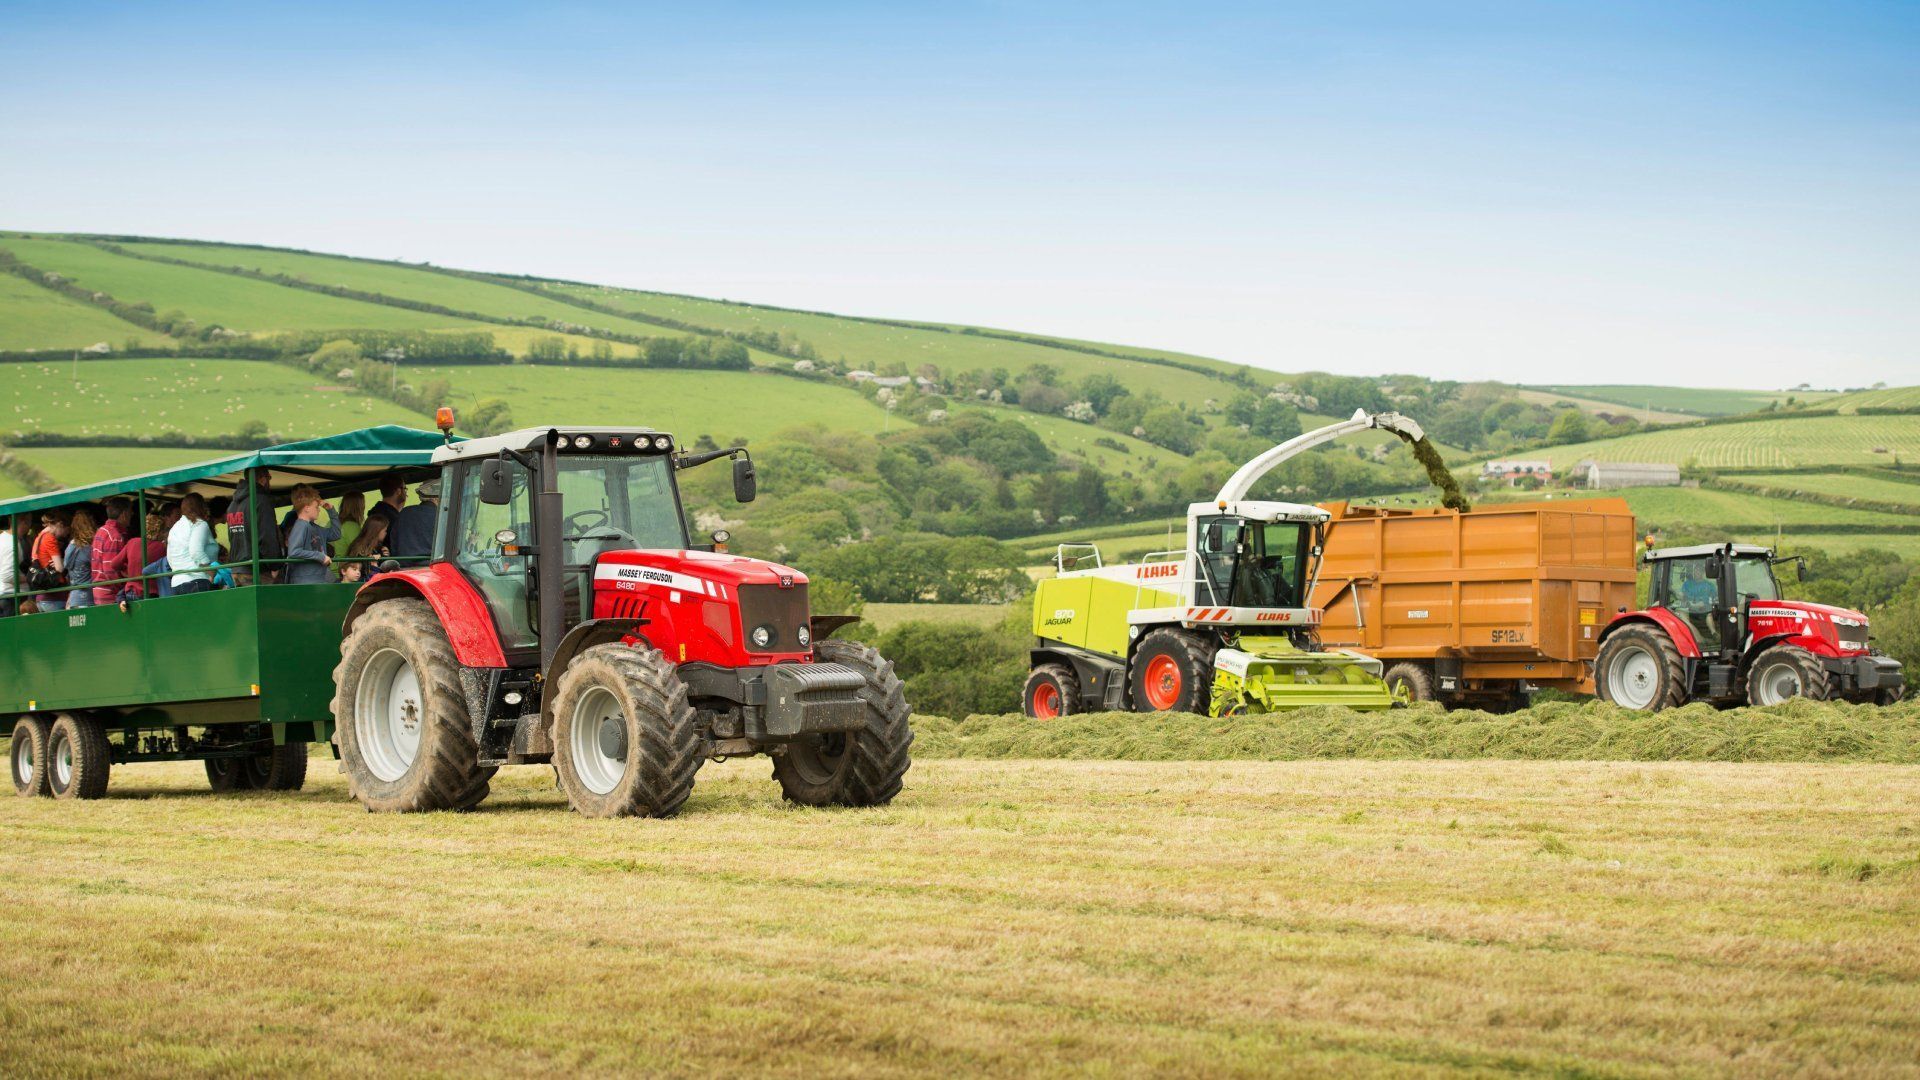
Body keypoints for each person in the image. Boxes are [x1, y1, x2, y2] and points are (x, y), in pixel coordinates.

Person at [225, 469, 284, 585]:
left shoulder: (232, 505)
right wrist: (275, 565)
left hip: (237, 569)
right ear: (262, 479)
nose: (269, 482)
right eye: (269, 478)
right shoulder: (261, 501)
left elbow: (232, 537)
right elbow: (267, 537)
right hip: (256, 571)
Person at [285, 492, 342, 585]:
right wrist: (320, 556)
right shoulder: (301, 525)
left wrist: (331, 511)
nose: (319, 510)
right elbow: (294, 551)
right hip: (304, 580)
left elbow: (336, 534)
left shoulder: (315, 528)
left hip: (318, 578)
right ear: (307, 508)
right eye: (316, 507)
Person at [168, 493, 219, 595]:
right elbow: (196, 551)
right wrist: (211, 571)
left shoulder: (175, 527)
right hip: (197, 581)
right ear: (201, 507)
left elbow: (170, 558)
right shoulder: (200, 524)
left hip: (176, 583)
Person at [91, 498, 135, 606]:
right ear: (124, 514)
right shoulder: (115, 537)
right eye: (130, 512)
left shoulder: (101, 531)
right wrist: (123, 591)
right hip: (111, 595)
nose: (132, 515)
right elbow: (110, 571)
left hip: (99, 591)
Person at [30, 510, 70, 611]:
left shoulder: (39, 537)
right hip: (54, 598)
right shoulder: (50, 539)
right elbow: (59, 568)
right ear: (60, 524)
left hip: (41, 597)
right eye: (66, 530)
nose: (65, 535)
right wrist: (63, 560)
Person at [391, 478, 440, 559]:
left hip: (404, 566)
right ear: (436, 497)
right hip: (433, 567)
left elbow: (394, 544)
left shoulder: (404, 512)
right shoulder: (441, 516)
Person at [65, 510, 97, 608]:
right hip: (88, 596)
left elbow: (65, 565)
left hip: (74, 596)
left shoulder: (70, 546)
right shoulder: (88, 548)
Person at [367, 474, 406, 538]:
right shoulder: (392, 518)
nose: (406, 493)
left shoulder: (376, 511)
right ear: (398, 491)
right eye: (405, 488)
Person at [334, 491, 366, 558]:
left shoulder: (333, 522)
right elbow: (359, 551)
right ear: (359, 507)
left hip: (327, 565)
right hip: (342, 566)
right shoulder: (352, 526)